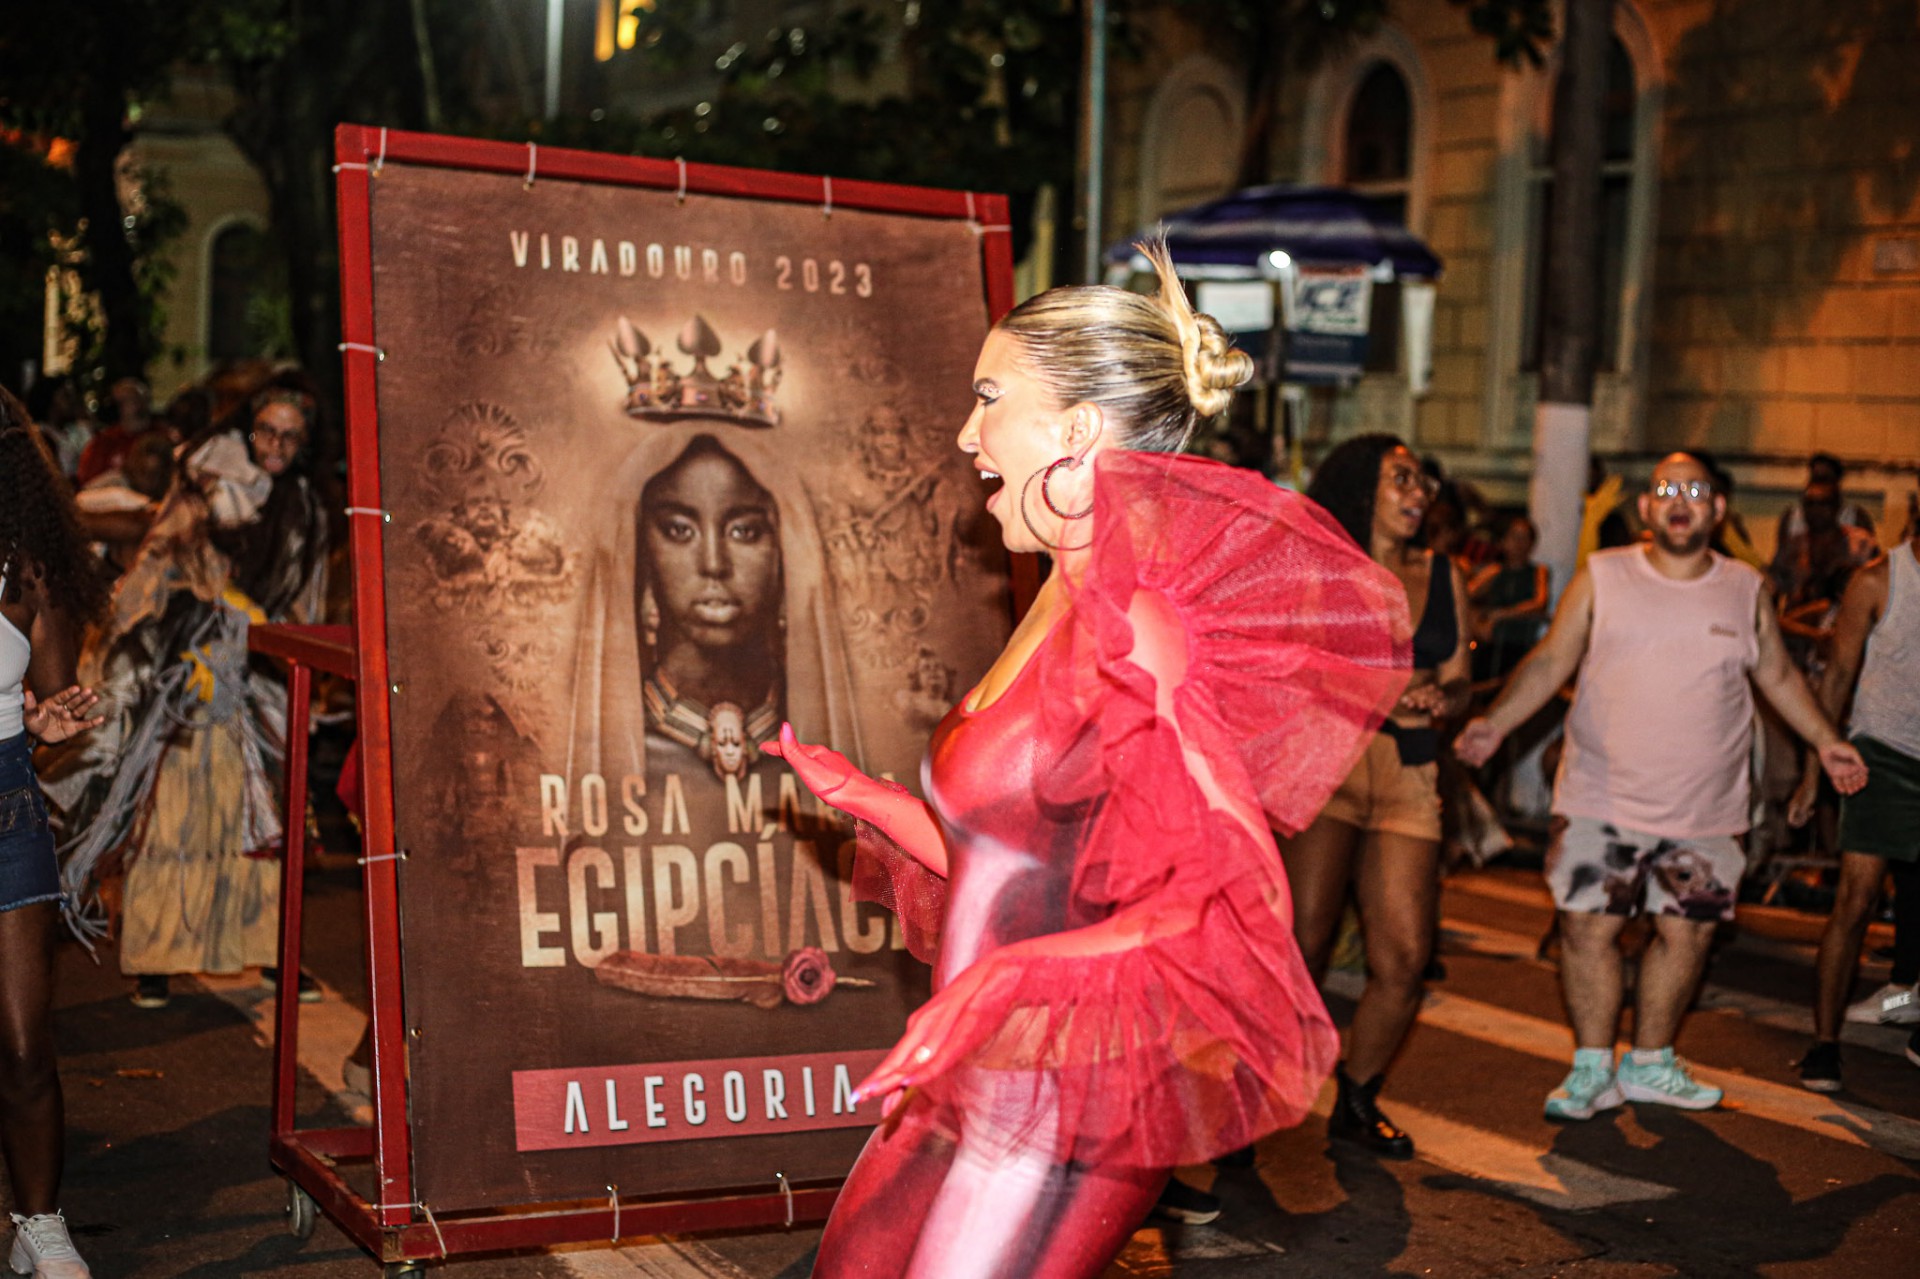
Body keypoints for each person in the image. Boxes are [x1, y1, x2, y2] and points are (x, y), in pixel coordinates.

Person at [765, 242, 1409, 1277]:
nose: (967, 433)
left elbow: (1221, 900)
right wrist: (872, 800)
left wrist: (1011, 976)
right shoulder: (1053, 598)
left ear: (1074, 429)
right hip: (974, 1076)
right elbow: (1024, 867)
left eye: (989, 399)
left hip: (1073, 1097)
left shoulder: (1142, 625)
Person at [1455, 453, 1868, 1121]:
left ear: (1717, 509)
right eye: (1666, 489)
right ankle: (1592, 1068)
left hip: (1705, 809)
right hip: (1602, 797)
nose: (1680, 499)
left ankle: (1650, 1063)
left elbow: (1778, 676)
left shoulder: (1744, 587)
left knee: (1688, 933)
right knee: (1589, 928)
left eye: (1695, 489)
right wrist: (1494, 723)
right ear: (1647, 508)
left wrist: (1826, 740)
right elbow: (1551, 658)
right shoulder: (1603, 575)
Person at [47, 376, 328, 1009]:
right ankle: (155, 961)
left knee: (258, 820)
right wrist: (211, 609)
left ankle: (271, 953)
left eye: (291, 436)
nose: (277, 445)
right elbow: (156, 569)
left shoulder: (304, 507)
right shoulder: (204, 482)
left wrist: (277, 643)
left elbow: (303, 598)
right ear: (249, 430)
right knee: (172, 818)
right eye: (267, 431)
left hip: (257, 681)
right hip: (187, 677)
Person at [1270, 433, 1471, 1160]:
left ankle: (1357, 1096)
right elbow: (1287, 667)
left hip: (1410, 775)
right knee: (1303, 944)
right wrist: (1375, 689)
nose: (1419, 494)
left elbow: (1459, 675)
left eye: (1423, 482)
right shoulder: (1322, 570)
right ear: (1363, 488)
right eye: (1401, 479)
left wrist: (1445, 698)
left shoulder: (1444, 574)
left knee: (1406, 956)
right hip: (1329, 766)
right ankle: (1252, 1090)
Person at [1, 389, 110, 1278]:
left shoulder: (25, 569)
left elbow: (49, 692)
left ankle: (38, 1222)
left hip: (6, 801)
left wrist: (47, 729)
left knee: (26, 1043)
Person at [1791, 536, 1920, 1090]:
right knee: (1856, 900)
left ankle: (1907, 1010)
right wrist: (1811, 773)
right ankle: (1825, 1044)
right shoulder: (1877, 581)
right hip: (1881, 757)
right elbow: (1837, 678)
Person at [1468, 513, 1550, 684]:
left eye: (1524, 538)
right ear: (1503, 541)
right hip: (1492, 645)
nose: (1519, 543)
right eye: (1514, 537)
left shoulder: (1538, 572)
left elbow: (1539, 602)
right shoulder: (1494, 571)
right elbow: (1465, 595)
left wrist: (1502, 614)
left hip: (1522, 645)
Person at [1775, 451, 1875, 551]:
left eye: (1824, 480)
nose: (1816, 511)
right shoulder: (1791, 518)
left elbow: (1871, 554)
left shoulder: (1856, 518)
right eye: (1816, 479)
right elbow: (1782, 555)